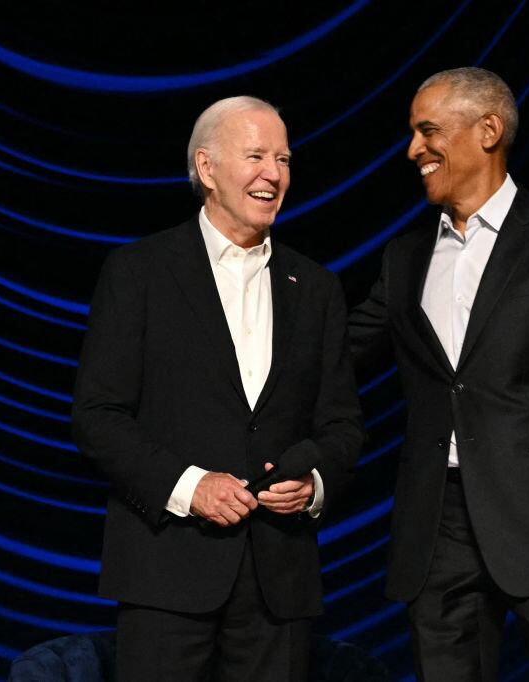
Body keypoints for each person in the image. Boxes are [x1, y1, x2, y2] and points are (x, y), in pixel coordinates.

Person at [348, 68, 529, 681]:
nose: (413, 150)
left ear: (488, 130)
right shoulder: (404, 259)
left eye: (428, 131)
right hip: (437, 528)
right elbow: (336, 356)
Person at [72, 96, 363, 681]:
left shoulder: (316, 287)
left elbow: (342, 425)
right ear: (207, 169)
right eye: (255, 155)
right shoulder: (140, 272)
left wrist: (313, 483)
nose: (274, 174)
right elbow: (97, 416)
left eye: (283, 158)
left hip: (278, 582)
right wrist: (190, 485)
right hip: (167, 569)